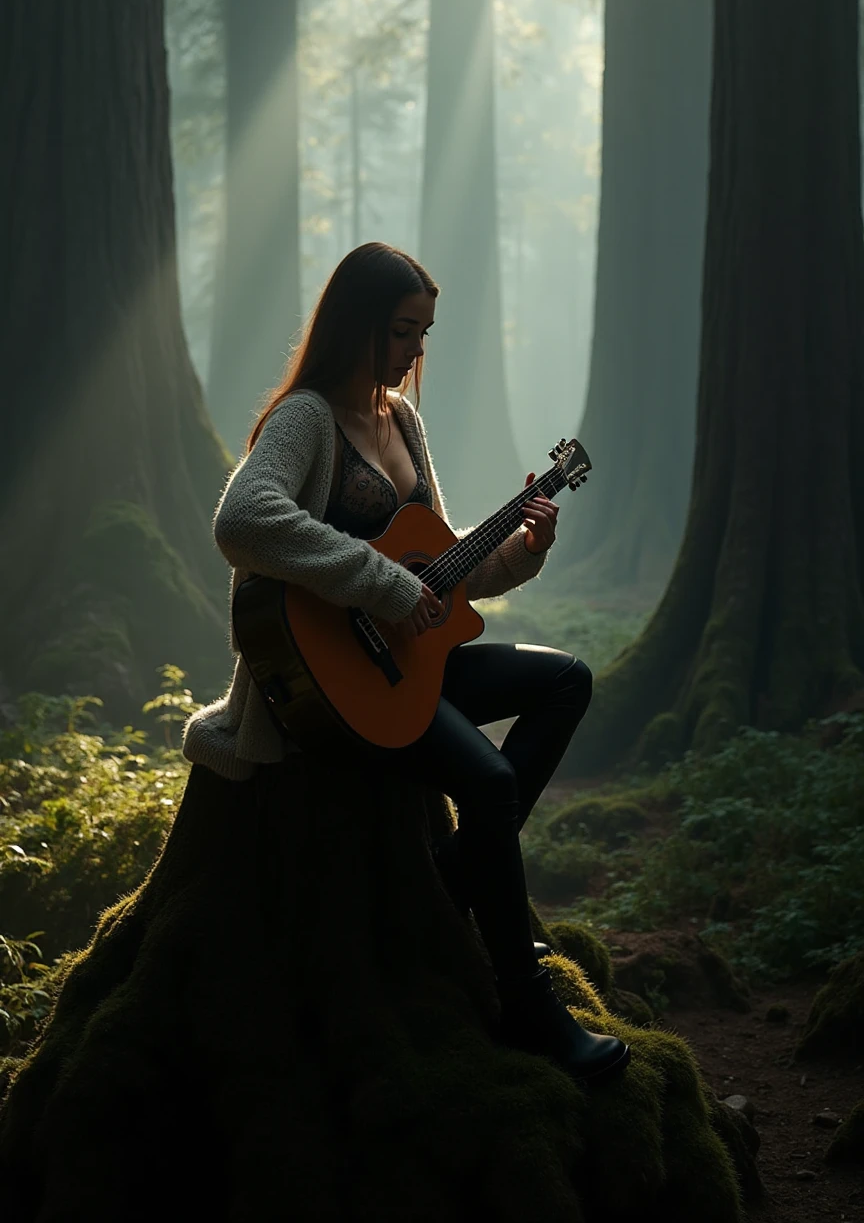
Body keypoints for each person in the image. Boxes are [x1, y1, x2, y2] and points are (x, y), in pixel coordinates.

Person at [183, 241, 629, 1085]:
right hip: (337, 683)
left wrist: (521, 550)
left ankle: (454, 878)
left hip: (415, 661)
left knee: (566, 679)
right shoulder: (306, 419)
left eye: (424, 332)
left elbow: (442, 568)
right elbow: (242, 520)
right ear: (356, 326)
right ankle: (526, 1003)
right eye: (401, 331)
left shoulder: (404, 422)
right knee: (489, 787)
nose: (416, 350)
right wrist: (380, 585)